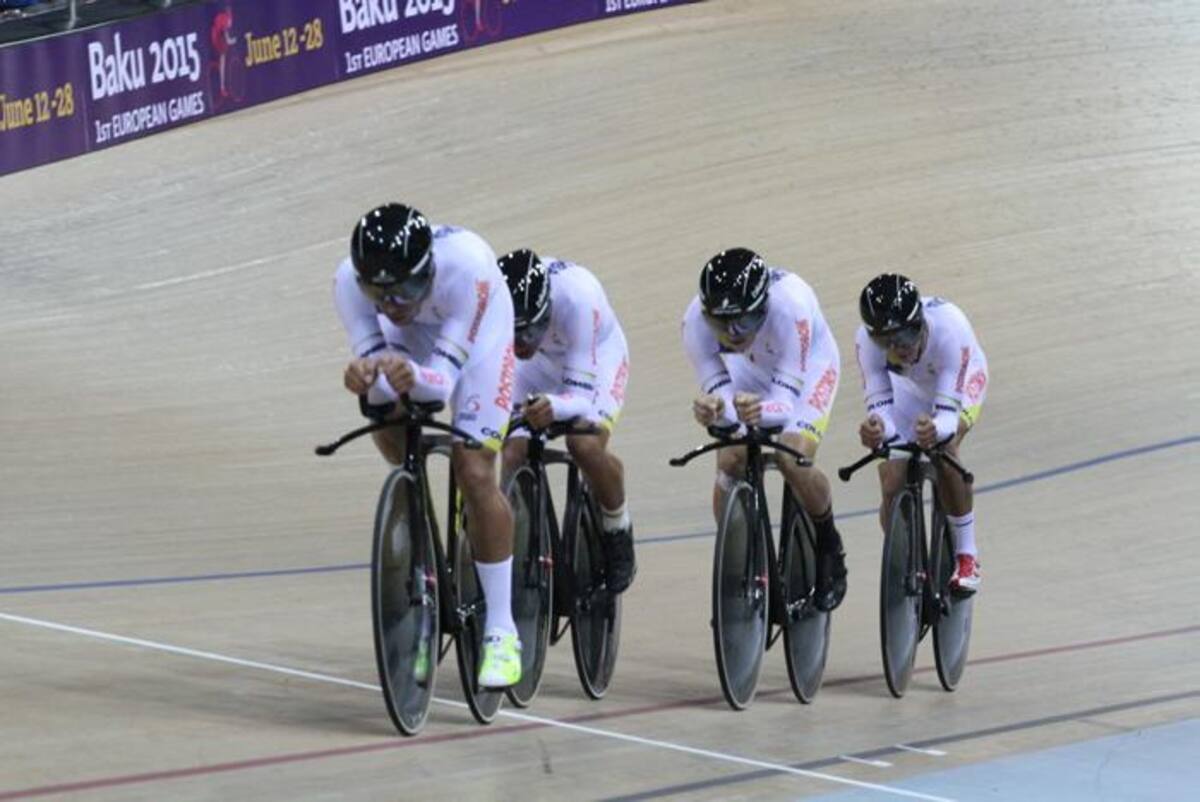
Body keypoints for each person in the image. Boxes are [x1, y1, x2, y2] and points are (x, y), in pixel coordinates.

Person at [333, 203, 522, 688]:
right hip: (413, 343)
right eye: (381, 295)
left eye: (407, 289)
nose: (394, 304)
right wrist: (366, 375)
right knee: (394, 437)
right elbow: (380, 389)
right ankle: (420, 544)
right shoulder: (347, 286)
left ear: (429, 271)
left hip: (475, 337)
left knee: (476, 470)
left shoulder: (468, 268)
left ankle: (502, 630)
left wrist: (408, 374)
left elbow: (439, 387)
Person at [682, 248, 847, 612]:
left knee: (794, 456)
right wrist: (716, 410)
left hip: (806, 370)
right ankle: (735, 554)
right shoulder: (695, 322)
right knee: (730, 457)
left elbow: (784, 406)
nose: (732, 334)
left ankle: (828, 543)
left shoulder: (791, 307)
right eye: (722, 325)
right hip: (750, 371)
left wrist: (751, 412)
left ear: (763, 307)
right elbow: (722, 403)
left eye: (743, 322)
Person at [497, 249, 635, 592]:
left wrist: (553, 408)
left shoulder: (578, 298)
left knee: (584, 444)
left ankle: (617, 527)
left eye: (529, 331)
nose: (521, 342)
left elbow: (581, 398)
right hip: (540, 364)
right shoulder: (496, 305)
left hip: (595, 358)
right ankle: (509, 538)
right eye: (514, 334)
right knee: (513, 449)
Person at [855, 273, 989, 593]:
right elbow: (882, 412)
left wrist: (937, 429)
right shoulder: (865, 342)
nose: (899, 347)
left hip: (960, 383)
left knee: (944, 449)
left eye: (907, 335)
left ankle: (967, 554)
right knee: (891, 477)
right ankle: (902, 557)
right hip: (912, 391)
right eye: (887, 341)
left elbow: (945, 419)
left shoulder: (949, 329)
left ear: (921, 322)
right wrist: (877, 430)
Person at [211, 3, 236, 98]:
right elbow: (225, 31)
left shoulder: (228, 16)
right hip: (217, 38)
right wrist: (229, 40)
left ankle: (222, 87)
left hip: (219, 36)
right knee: (222, 60)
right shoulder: (225, 17)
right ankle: (222, 87)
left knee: (223, 60)